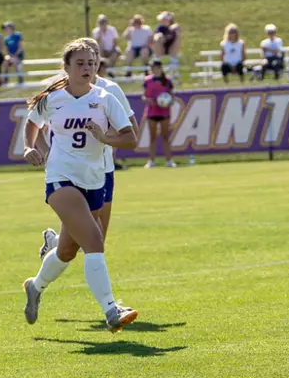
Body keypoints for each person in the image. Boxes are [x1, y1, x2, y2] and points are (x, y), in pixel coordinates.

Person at [20, 40, 139, 332]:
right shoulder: (53, 99)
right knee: (95, 240)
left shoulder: (105, 97)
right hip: (61, 177)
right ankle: (111, 310)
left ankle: (35, 286)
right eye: (81, 63)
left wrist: (105, 137)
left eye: (91, 63)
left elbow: (131, 138)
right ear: (67, 68)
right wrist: (28, 147)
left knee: (69, 251)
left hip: (95, 179)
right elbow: (32, 123)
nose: (87, 68)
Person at [142, 60, 176, 167]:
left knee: (165, 136)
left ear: (160, 68)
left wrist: (168, 102)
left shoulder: (167, 80)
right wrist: (149, 100)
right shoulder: (147, 80)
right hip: (152, 111)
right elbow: (144, 96)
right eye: (152, 68)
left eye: (156, 67)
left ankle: (169, 160)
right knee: (152, 137)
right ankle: (151, 161)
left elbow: (172, 96)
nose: (153, 70)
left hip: (164, 112)